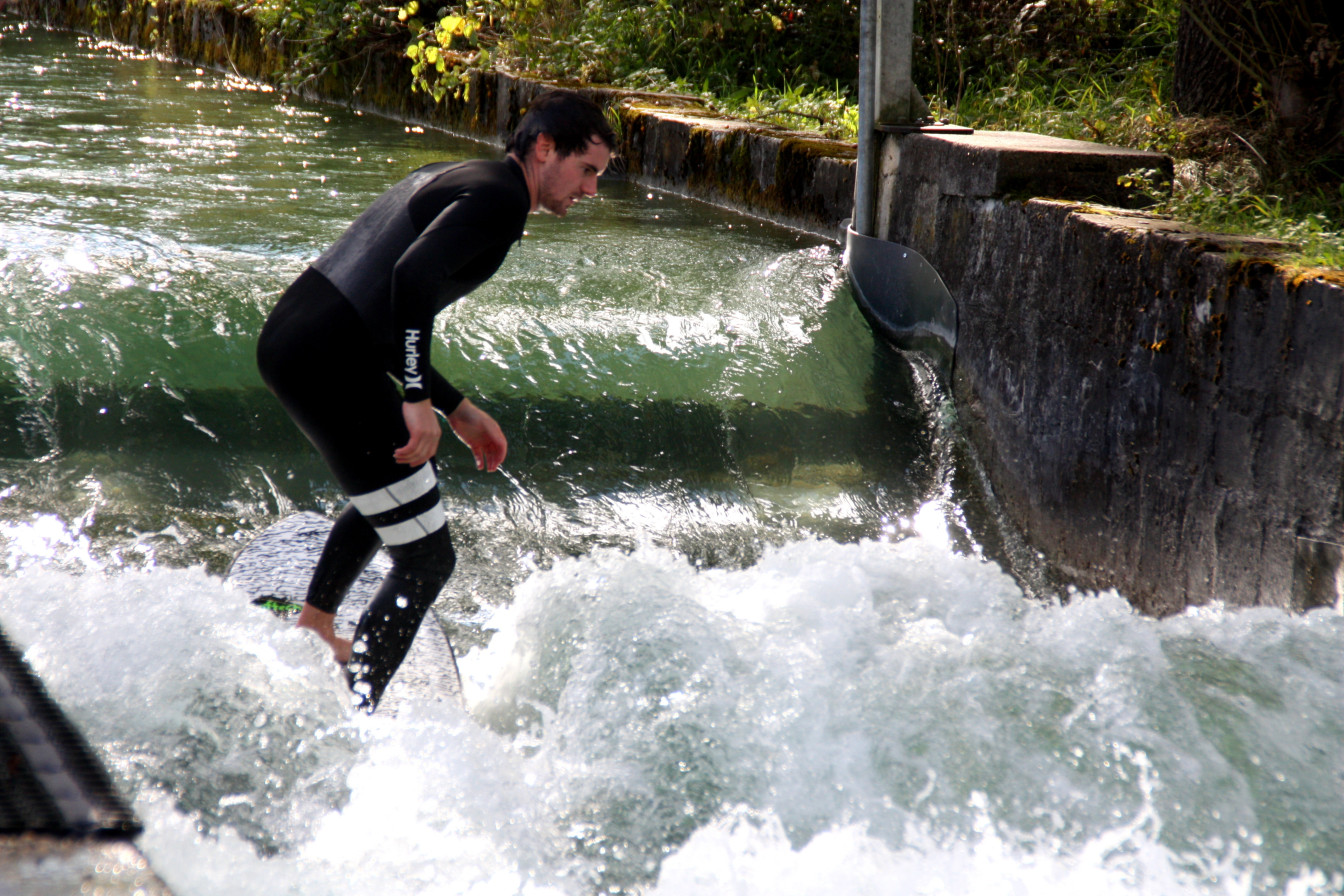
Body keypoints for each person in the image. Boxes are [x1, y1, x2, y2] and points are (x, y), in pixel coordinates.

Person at [256, 90, 616, 711]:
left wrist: (456, 407)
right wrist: (418, 398)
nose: (589, 191)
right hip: (329, 360)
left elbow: (382, 311)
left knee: (400, 479)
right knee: (426, 559)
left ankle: (316, 626)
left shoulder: (457, 176)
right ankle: (358, 709)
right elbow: (410, 282)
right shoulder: (502, 201)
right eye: (586, 171)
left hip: (300, 339)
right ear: (545, 148)